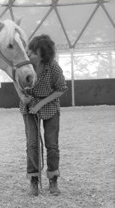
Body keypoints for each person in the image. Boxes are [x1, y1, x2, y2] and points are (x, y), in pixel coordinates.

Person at [14, 34, 68, 196]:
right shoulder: (24, 65)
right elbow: (15, 80)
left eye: (33, 52)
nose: (28, 53)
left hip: (49, 107)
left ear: (43, 55)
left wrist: (39, 105)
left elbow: (61, 88)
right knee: (32, 144)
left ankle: (53, 179)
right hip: (29, 107)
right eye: (29, 50)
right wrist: (22, 96)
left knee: (52, 145)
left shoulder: (53, 68)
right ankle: (34, 180)